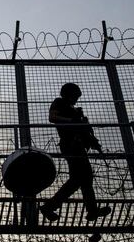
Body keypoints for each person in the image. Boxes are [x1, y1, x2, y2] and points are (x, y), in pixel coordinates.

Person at [40, 83, 111, 226]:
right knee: (80, 179)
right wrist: (73, 121)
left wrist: (92, 140)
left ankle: (90, 210)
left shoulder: (76, 110)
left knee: (83, 179)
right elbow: (52, 117)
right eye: (75, 96)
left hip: (78, 146)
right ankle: (50, 207)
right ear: (68, 94)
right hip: (70, 145)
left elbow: (84, 130)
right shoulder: (59, 102)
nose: (76, 99)